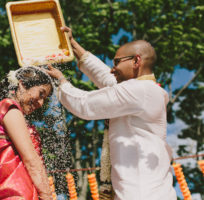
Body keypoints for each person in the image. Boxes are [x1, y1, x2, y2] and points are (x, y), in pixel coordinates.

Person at [46, 26, 177, 200]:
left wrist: (61, 82)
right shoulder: (143, 90)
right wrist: (72, 45)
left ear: (136, 61)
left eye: (116, 62)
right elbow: (107, 79)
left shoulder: (139, 90)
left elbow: (85, 104)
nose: (112, 69)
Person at [0, 66, 53, 200]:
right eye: (41, 94)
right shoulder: (9, 108)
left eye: (44, 99)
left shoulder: (11, 110)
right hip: (14, 193)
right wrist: (47, 196)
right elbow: (31, 159)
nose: (41, 103)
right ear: (22, 84)